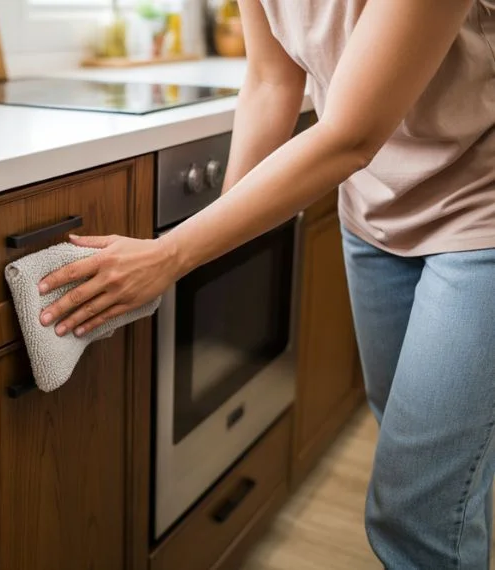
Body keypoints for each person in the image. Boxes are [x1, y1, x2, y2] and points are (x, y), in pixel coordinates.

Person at [37, 0, 495, 567]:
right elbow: (271, 80)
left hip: (481, 219)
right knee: (432, 459)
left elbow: (351, 135)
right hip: (374, 213)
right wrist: (216, 236)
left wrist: (171, 253)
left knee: (414, 510)